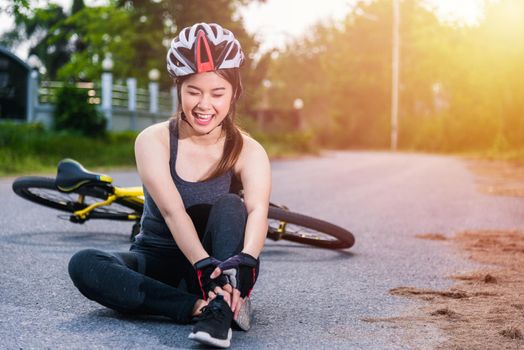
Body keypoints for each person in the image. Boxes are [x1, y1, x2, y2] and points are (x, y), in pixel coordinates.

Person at [67, 22, 271, 349]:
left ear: (235, 92)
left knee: (232, 206)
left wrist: (248, 257)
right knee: (84, 264)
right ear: (178, 90)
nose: (205, 105)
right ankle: (198, 307)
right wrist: (199, 266)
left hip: (214, 267)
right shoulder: (154, 139)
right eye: (193, 91)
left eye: (217, 93)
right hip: (158, 260)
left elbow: (258, 209)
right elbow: (172, 211)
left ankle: (220, 301)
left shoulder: (248, 150)